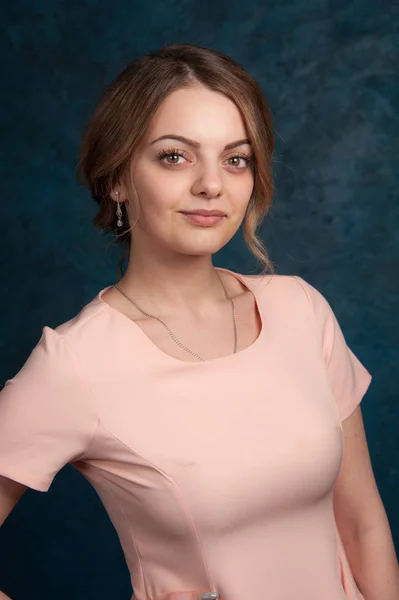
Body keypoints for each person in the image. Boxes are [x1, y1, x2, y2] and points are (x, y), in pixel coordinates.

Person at [0, 43, 398, 600]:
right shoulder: (77, 362)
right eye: (175, 156)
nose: (212, 184)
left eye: (235, 159)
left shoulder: (301, 310)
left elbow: (361, 522)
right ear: (117, 178)